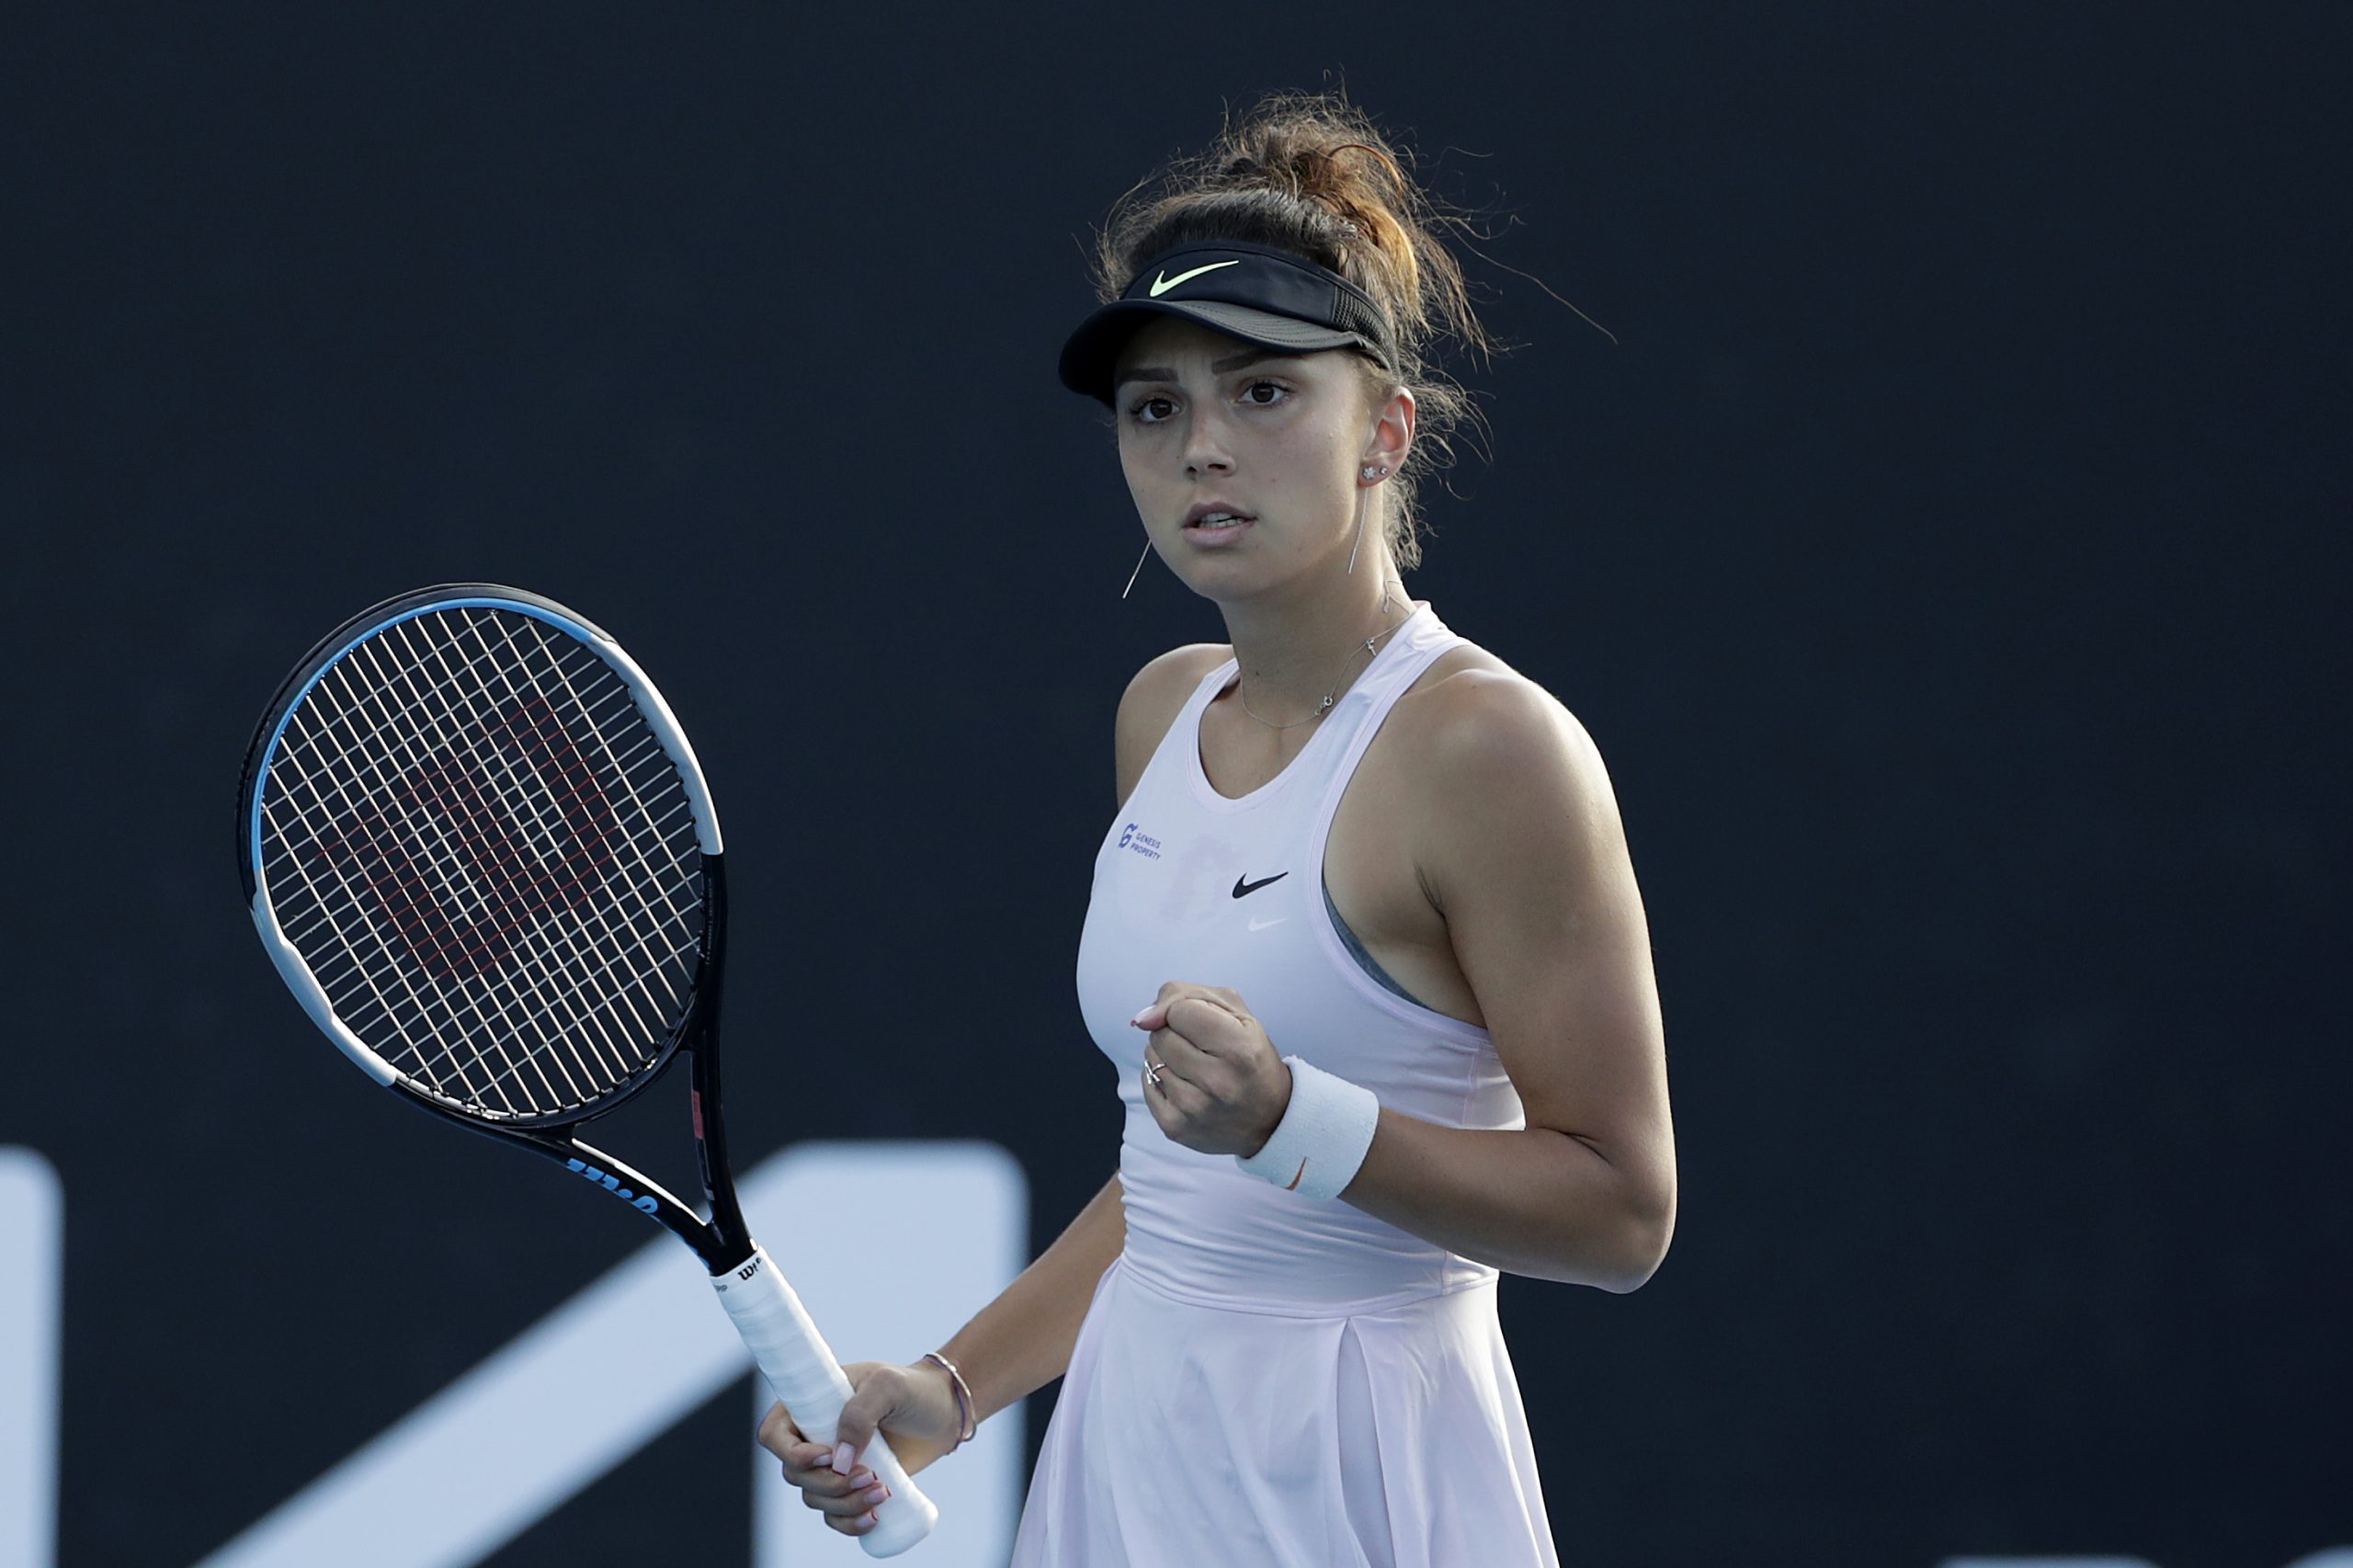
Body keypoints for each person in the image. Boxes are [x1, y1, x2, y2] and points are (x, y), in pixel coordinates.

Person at [756, 91, 1675, 1566]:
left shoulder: (1488, 749)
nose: (1200, 448)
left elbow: (1624, 1212)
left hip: (1362, 1466)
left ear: (1384, 431)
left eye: (1262, 393)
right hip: (1131, 1449)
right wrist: (952, 1386)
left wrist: (1295, 1119)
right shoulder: (1164, 710)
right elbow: (1176, 1184)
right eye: (1156, 406)